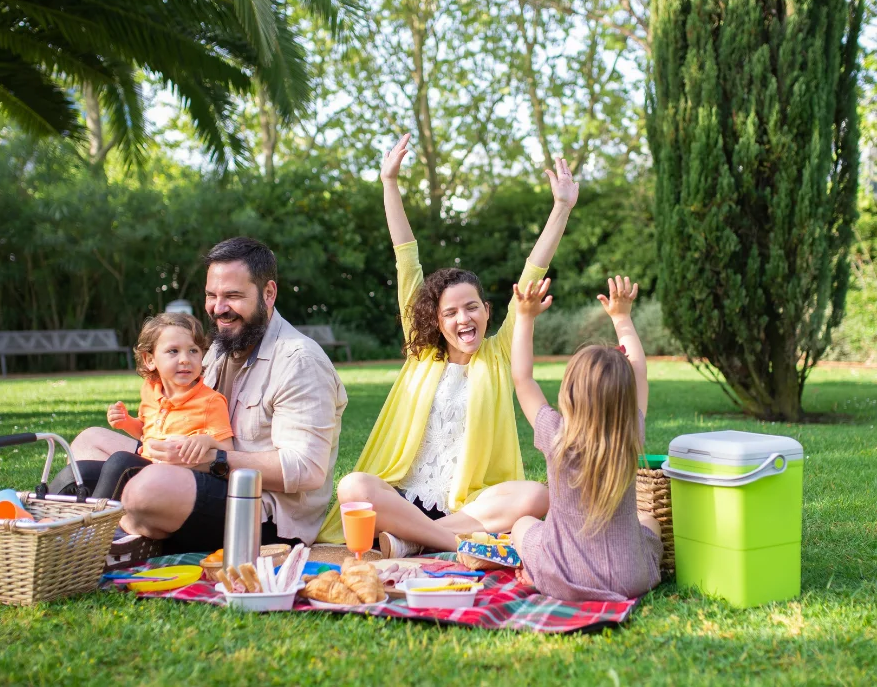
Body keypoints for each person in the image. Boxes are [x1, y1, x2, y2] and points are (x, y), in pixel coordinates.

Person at [317, 133, 578, 557]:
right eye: (451, 313)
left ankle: (408, 541)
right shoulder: (422, 352)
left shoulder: (498, 354)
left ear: (488, 311)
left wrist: (561, 207)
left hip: (469, 506)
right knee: (354, 486)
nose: (463, 319)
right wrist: (389, 183)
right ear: (436, 322)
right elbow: (406, 257)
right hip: (404, 497)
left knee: (536, 496)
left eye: (471, 308)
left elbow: (533, 272)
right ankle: (452, 544)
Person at [52, 237, 348, 561]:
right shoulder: (219, 347)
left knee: (145, 489)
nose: (219, 308)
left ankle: (120, 531)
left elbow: (307, 470)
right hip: (193, 473)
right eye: (211, 295)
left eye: (233, 296)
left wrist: (213, 460)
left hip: (263, 511)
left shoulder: (299, 360)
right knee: (88, 442)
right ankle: (127, 526)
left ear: (268, 293)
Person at [510, 275, 663, 601]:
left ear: (570, 392)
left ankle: (532, 572)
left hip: (561, 576)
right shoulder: (630, 431)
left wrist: (525, 318)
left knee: (523, 524)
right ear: (626, 397)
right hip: (628, 578)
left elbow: (522, 379)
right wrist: (621, 318)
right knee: (648, 519)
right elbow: (639, 370)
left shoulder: (556, 435)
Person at [69, 312, 234, 505]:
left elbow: (227, 448)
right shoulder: (150, 389)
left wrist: (205, 441)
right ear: (150, 360)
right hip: (147, 466)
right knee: (81, 471)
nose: (185, 359)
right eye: (173, 351)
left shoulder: (210, 401)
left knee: (120, 463)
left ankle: (92, 524)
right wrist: (126, 423)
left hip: (176, 480)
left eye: (193, 351)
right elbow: (145, 433)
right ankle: (47, 518)